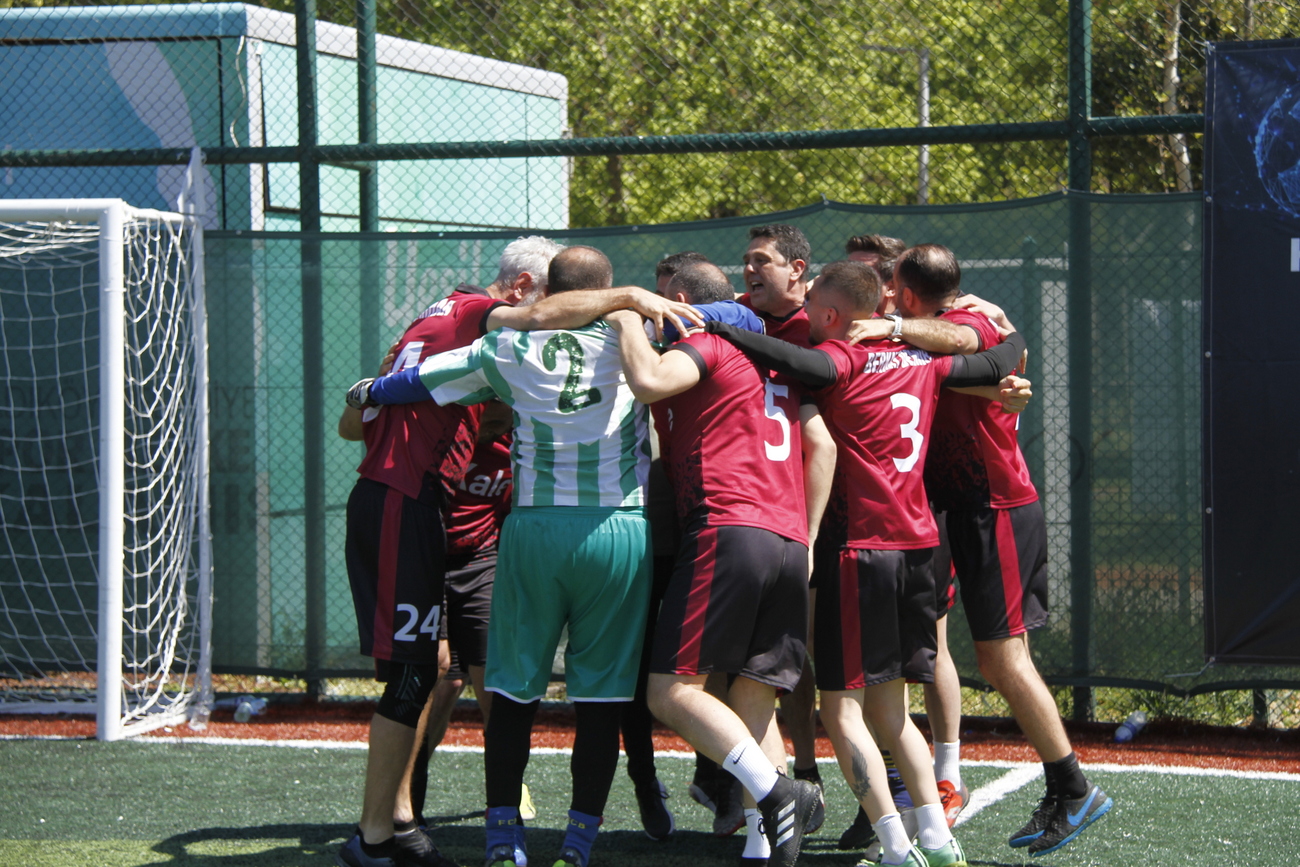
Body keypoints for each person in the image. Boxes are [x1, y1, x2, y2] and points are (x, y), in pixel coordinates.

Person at [351, 246, 702, 867]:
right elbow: (718, 335)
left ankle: (502, 841)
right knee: (602, 699)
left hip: (534, 531)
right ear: (605, 289)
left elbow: (417, 381)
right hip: (618, 532)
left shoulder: (505, 345)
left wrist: (369, 388)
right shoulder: (640, 339)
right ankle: (578, 844)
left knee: (511, 693)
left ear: (548, 293)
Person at [707, 259, 1026, 867]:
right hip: (919, 548)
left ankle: (897, 847)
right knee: (891, 709)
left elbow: (800, 364)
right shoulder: (923, 358)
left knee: (840, 707)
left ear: (831, 315)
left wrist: (720, 329)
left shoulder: (843, 358)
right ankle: (938, 840)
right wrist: (1010, 333)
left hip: (860, 551)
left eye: (813, 309)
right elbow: (995, 363)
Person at [333, 235, 566, 867]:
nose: (547, 323)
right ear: (521, 289)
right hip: (402, 501)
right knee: (414, 675)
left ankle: (398, 822)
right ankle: (376, 834)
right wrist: (630, 300)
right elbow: (354, 425)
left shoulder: (436, 322)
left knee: (433, 671)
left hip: (417, 511)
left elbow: (360, 417)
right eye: (548, 300)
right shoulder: (473, 316)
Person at [605, 260, 833, 867]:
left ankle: (779, 792)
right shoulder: (771, 359)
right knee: (752, 697)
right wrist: (809, 536)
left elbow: (649, 380)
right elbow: (821, 444)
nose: (650, 310)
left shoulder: (706, 342)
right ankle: (764, 848)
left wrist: (623, 315)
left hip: (729, 526)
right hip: (786, 538)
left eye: (657, 300)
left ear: (679, 300)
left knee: (669, 691)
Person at [894, 247, 1113, 856]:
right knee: (981, 656)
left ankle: (1073, 788)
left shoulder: (971, 320)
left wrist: (894, 326)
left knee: (1003, 659)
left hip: (996, 506)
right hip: (956, 509)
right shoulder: (929, 331)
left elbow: (974, 340)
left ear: (905, 293)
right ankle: (1056, 787)